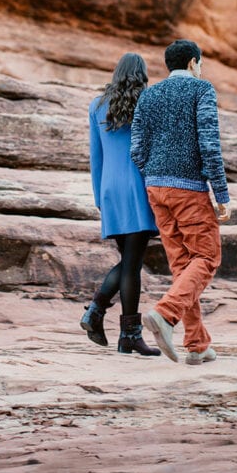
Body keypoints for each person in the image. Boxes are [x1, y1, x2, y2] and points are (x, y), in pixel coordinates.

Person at [131, 39, 231, 365]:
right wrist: (221, 194)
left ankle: (197, 345)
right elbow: (209, 144)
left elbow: (137, 148)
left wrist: (154, 177)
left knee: (183, 266)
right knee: (207, 257)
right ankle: (165, 314)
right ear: (192, 63)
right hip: (188, 189)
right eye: (200, 63)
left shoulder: (149, 95)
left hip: (155, 188)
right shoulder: (202, 91)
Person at [81, 52, 162, 357]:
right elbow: (154, 151)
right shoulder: (148, 102)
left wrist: (98, 196)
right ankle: (102, 316)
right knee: (132, 263)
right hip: (138, 187)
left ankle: (123, 332)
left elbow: (95, 155)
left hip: (110, 190)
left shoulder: (97, 105)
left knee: (130, 262)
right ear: (141, 74)